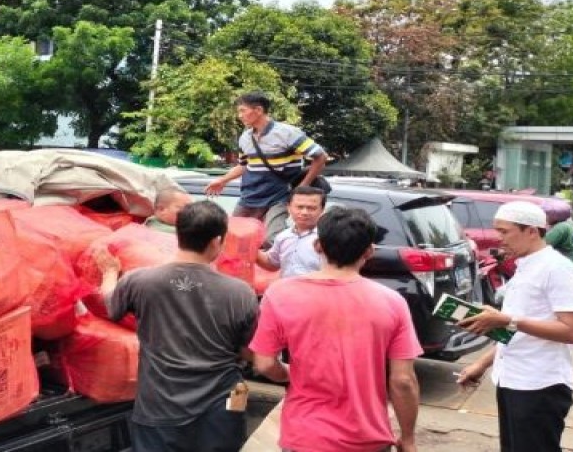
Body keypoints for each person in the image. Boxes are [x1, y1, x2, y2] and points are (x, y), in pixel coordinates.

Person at [249, 206, 422, 452]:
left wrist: (291, 374)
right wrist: (408, 438)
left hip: (305, 435)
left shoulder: (280, 293)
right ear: (369, 251)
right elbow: (403, 381)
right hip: (368, 438)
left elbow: (264, 364)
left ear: (318, 246)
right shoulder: (392, 302)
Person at [96, 201, 258, 452]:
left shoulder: (139, 281)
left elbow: (111, 307)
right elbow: (249, 352)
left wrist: (109, 274)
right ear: (217, 241)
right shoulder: (240, 292)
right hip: (223, 404)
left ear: (178, 234)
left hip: (161, 404)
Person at [456, 200, 573, 452]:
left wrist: (507, 319)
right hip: (512, 379)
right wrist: (481, 364)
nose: (499, 239)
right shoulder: (526, 266)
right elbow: (516, 330)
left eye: (505, 231)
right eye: (498, 231)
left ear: (531, 231)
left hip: (540, 385)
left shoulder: (557, 269)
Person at [204, 91, 327, 245]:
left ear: (259, 110)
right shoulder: (245, 137)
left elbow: (320, 156)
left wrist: (303, 186)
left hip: (278, 197)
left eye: (243, 110)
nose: (239, 116)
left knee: (273, 240)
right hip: (249, 196)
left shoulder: (287, 133)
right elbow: (244, 165)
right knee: (232, 238)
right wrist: (223, 180)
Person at [255, 185, 325, 278]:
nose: (304, 212)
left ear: (322, 210)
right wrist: (251, 249)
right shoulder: (283, 236)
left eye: (311, 208)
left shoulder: (327, 238)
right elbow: (272, 263)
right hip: (287, 290)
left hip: (317, 290)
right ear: (289, 208)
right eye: (299, 207)